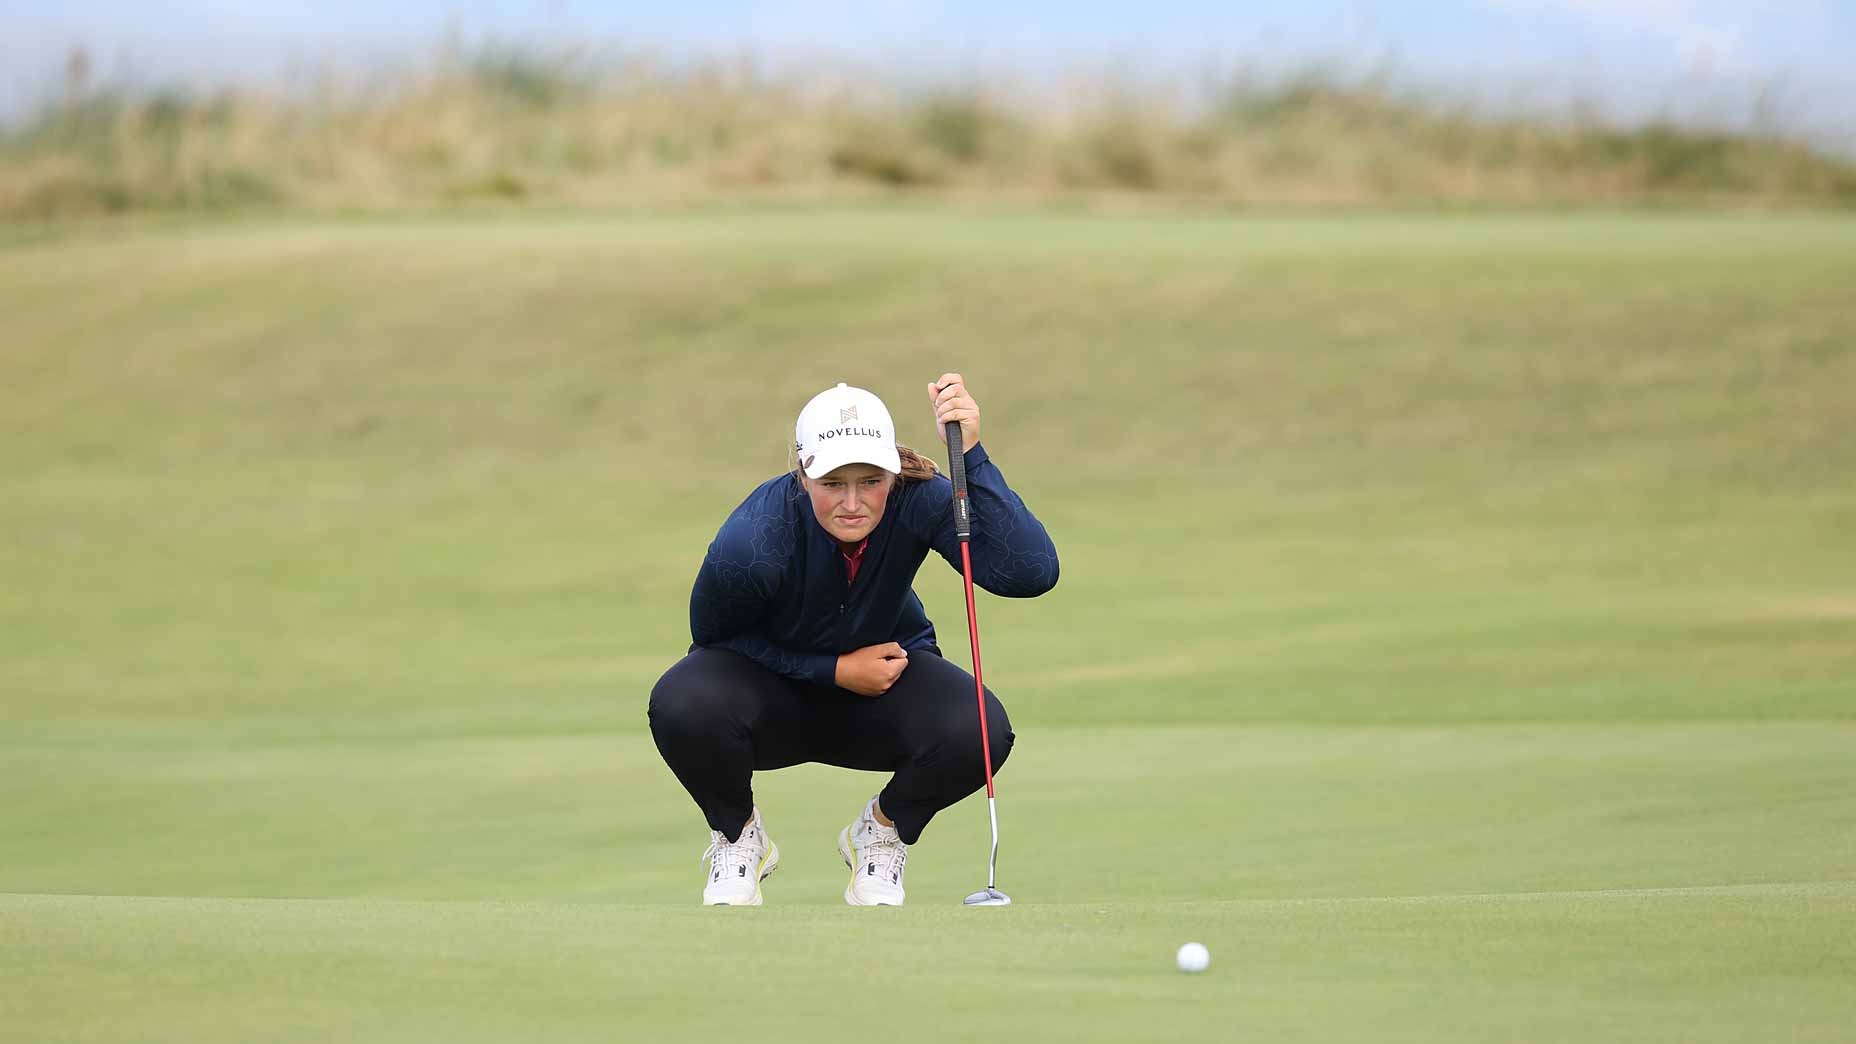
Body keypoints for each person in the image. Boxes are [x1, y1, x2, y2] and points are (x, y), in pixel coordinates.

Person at [648, 374, 1060, 906]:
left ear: (892, 472)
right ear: (803, 473)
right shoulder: (753, 539)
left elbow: (1030, 572)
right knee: (683, 699)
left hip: (881, 691)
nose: (852, 502)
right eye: (833, 483)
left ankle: (882, 831)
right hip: (767, 700)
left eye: (870, 481)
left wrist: (973, 458)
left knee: (980, 730)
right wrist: (834, 670)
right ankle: (737, 835)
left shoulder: (918, 500)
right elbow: (712, 638)